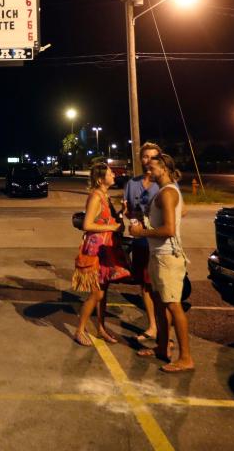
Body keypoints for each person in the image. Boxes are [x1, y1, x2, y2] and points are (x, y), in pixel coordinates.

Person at [130, 154, 195, 373]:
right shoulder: (162, 192)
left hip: (168, 257)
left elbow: (168, 230)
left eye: (152, 168)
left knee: (174, 306)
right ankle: (161, 348)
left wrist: (141, 232)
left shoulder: (168, 193)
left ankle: (185, 357)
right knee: (160, 304)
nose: (148, 172)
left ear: (165, 168)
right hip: (157, 255)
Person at [71, 162, 127, 346]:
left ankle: (100, 328)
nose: (114, 175)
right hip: (95, 250)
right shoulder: (95, 197)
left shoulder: (105, 195)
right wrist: (112, 226)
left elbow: (104, 218)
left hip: (106, 249)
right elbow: (87, 225)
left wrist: (121, 213)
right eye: (110, 173)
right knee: (97, 294)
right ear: (100, 178)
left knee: (104, 291)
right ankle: (80, 330)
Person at [123, 142, 161, 341]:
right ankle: (152, 326)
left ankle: (164, 330)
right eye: (145, 157)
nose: (148, 161)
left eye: (153, 157)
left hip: (159, 243)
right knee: (145, 286)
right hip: (140, 242)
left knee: (160, 286)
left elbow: (178, 211)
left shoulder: (164, 183)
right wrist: (129, 213)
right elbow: (129, 211)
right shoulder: (132, 183)